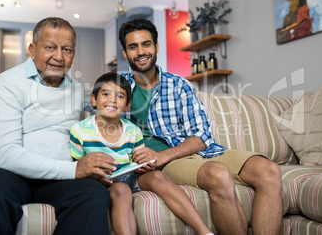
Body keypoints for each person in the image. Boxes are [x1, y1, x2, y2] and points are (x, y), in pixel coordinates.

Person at [118, 18, 283, 235]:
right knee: (218, 174)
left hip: (192, 153)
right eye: (133, 46)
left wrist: (164, 155)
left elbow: (201, 136)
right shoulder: (117, 86)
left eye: (146, 44)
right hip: (166, 165)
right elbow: (98, 125)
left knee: (269, 170)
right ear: (125, 53)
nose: (141, 51)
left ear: (156, 47)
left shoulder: (179, 85)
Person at [0, 17, 116, 234]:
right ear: (33, 49)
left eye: (67, 50)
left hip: (57, 177)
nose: (58, 57)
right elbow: (5, 155)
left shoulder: (75, 89)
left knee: (93, 194)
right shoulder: (9, 82)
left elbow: (93, 123)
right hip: (4, 171)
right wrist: (75, 169)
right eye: (50, 47)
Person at [70, 72, 214, 235]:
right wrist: (93, 175)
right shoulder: (80, 130)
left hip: (129, 174)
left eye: (120, 96)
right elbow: (77, 167)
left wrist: (145, 164)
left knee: (157, 177)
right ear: (94, 100)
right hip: (103, 181)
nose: (112, 99)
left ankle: (204, 232)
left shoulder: (133, 130)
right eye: (106, 94)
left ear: (128, 105)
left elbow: (139, 159)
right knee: (122, 190)